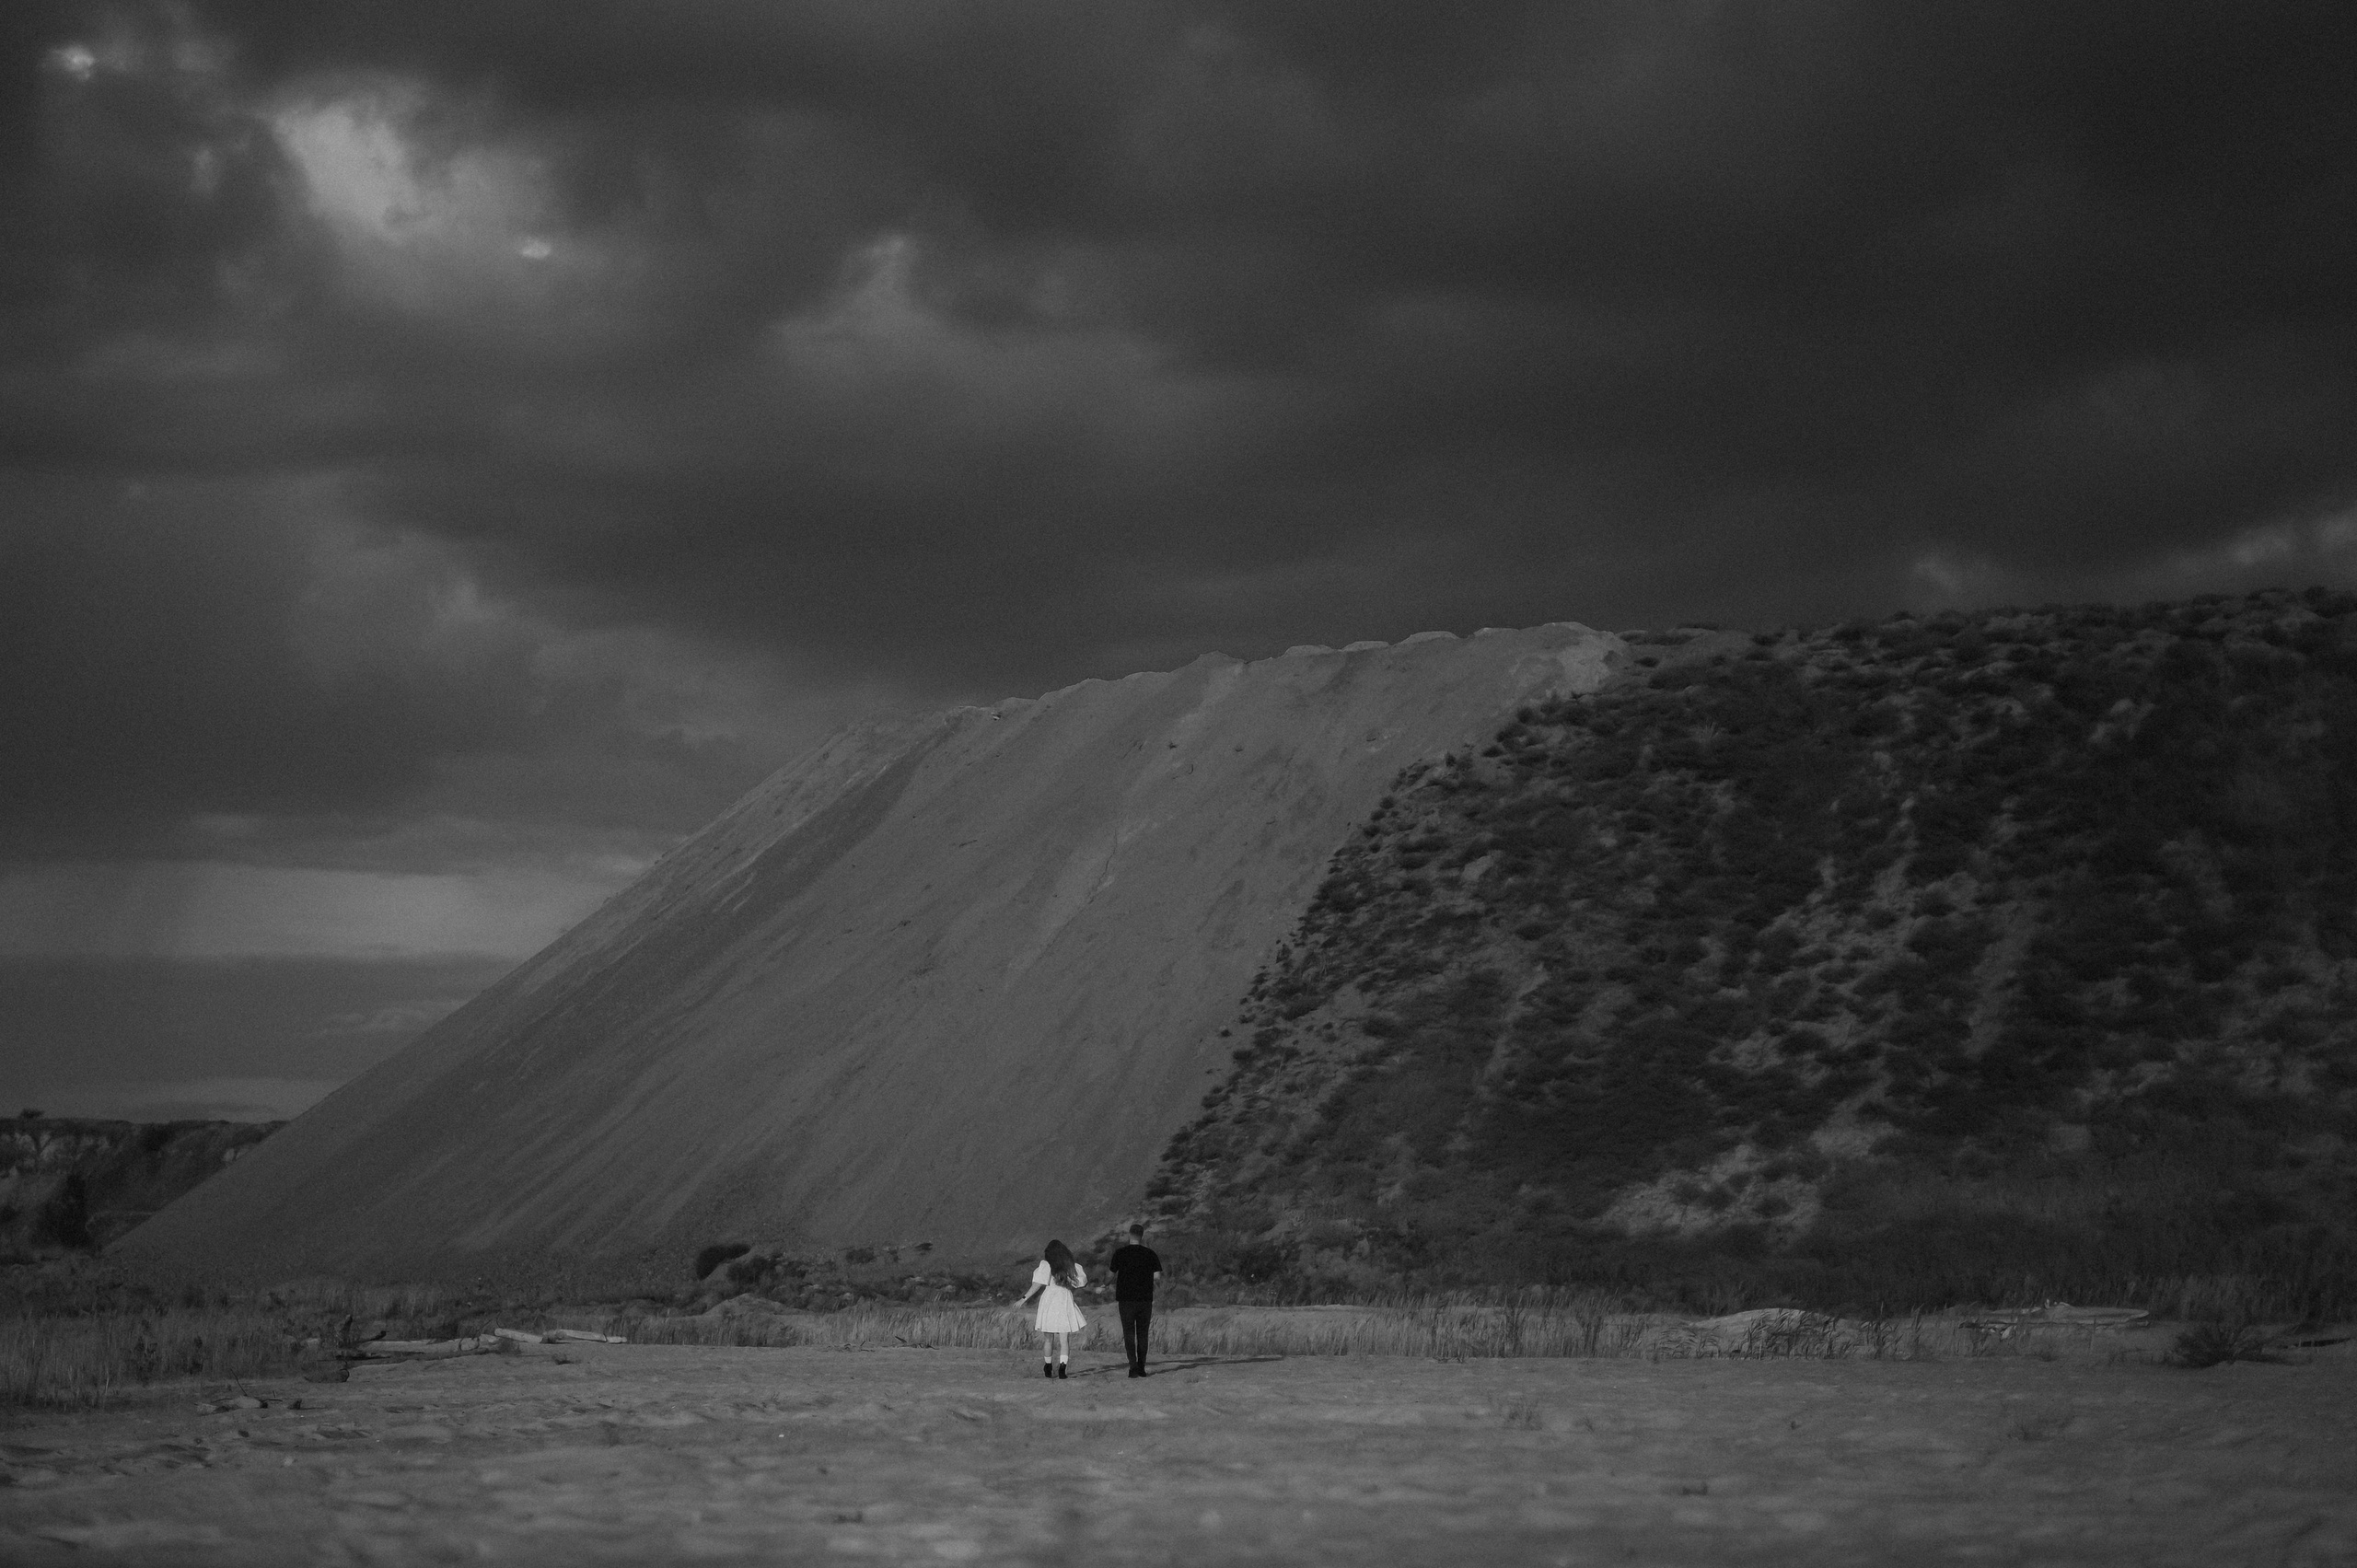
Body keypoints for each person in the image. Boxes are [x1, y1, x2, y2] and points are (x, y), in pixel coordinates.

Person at [1014, 1238, 1087, 1378]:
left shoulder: (1046, 1265)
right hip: (1064, 1299)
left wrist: (1023, 1299)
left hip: (1049, 1300)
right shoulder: (1071, 1266)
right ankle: (1062, 1369)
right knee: (1064, 1339)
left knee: (1048, 1339)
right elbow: (1081, 1283)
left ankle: (1048, 1366)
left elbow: (1037, 1285)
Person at [1105, 1222, 1162, 1377]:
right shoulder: (1150, 1254)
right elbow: (1157, 1277)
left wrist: (1105, 1284)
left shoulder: (1120, 1253)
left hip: (1126, 1299)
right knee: (1143, 1334)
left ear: (1129, 1235)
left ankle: (1132, 1367)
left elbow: (1111, 1274)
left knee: (1129, 1333)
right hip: (1145, 1299)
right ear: (1142, 1236)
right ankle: (1142, 1367)